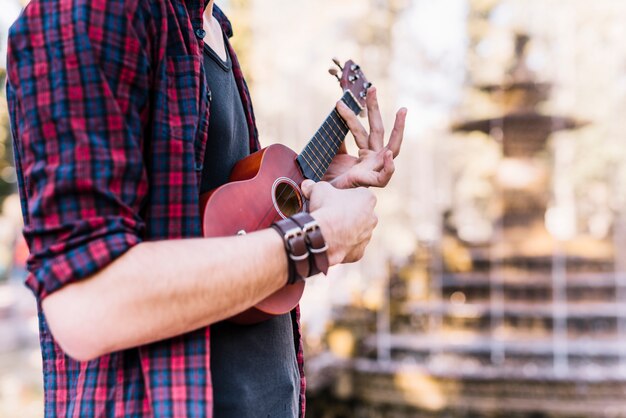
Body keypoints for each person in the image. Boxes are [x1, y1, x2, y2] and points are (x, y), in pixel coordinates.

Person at [6, 0, 407, 416]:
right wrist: (317, 240)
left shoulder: (210, 24)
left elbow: (218, 223)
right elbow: (86, 302)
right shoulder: (92, 10)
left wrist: (315, 189)